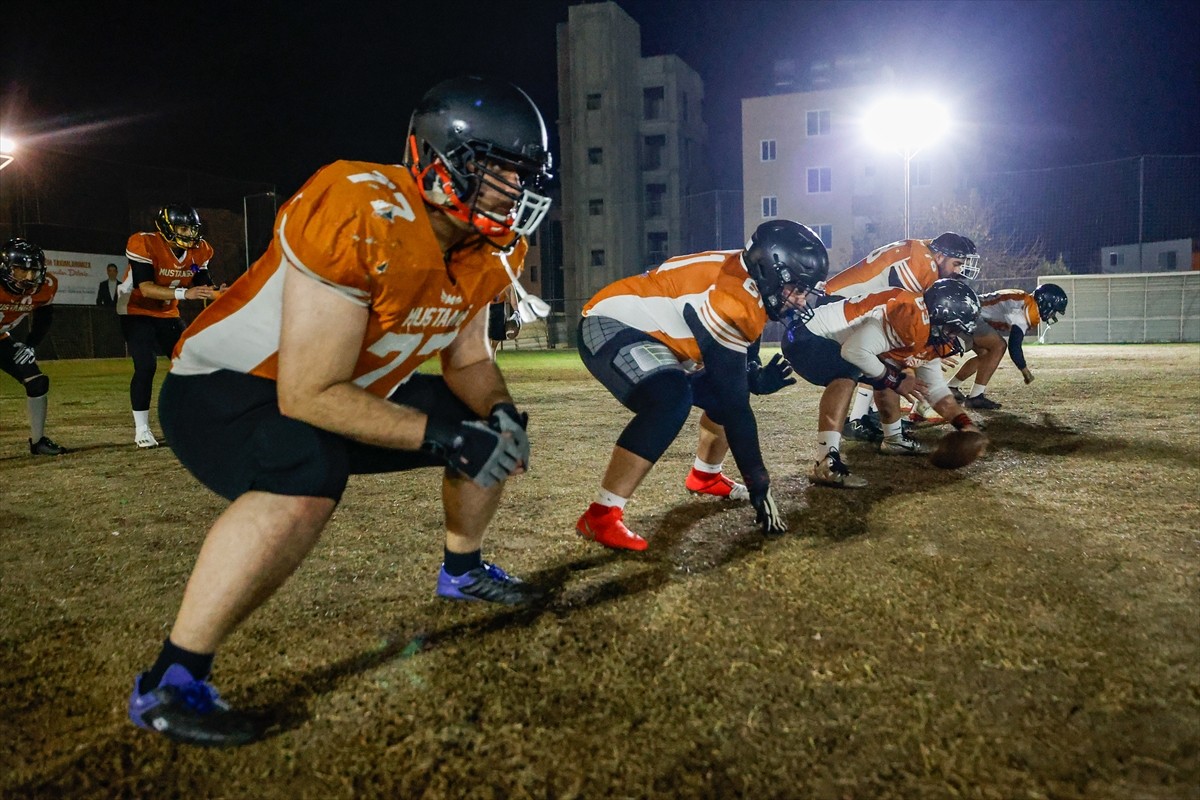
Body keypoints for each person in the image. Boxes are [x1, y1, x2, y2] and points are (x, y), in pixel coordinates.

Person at [126, 76, 553, 747]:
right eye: (496, 174)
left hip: (344, 388)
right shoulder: (360, 206)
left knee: (488, 428)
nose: (513, 193)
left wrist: (497, 413)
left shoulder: (494, 248)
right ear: (436, 164)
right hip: (231, 386)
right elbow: (307, 394)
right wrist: (441, 436)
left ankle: (463, 571)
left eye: (521, 177)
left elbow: (468, 360)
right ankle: (169, 681)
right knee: (307, 465)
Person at [575, 220, 830, 551]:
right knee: (671, 398)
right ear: (770, 270)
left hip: (665, 343)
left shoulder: (746, 279)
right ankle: (601, 515)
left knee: (722, 399)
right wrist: (760, 486)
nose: (799, 300)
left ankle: (705, 476)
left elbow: (738, 364)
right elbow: (738, 406)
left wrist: (754, 376)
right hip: (610, 323)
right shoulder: (730, 296)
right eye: (796, 288)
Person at [782, 278, 983, 488]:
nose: (952, 338)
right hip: (807, 336)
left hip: (834, 341)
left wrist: (965, 425)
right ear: (939, 315)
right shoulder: (908, 315)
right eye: (952, 330)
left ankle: (894, 439)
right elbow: (854, 351)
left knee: (887, 371)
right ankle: (826, 463)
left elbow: (937, 391)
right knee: (851, 370)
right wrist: (896, 380)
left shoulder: (925, 329)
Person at [824, 233, 981, 441]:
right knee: (885, 358)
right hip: (840, 305)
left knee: (888, 357)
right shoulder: (920, 268)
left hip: (855, 305)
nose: (959, 271)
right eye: (957, 263)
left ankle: (867, 417)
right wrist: (918, 357)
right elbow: (902, 321)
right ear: (940, 257)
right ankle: (860, 420)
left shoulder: (925, 253)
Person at [117, 205, 218, 448]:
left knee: (190, 362)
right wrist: (186, 293)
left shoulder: (197, 252)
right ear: (167, 228)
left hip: (167, 311)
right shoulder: (145, 243)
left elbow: (197, 274)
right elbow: (145, 288)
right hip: (135, 309)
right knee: (146, 365)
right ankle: (142, 428)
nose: (189, 234)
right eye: (183, 228)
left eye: (192, 229)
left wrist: (219, 292)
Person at [949, 283, 1069, 408]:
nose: (1053, 315)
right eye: (1054, 310)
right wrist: (1025, 371)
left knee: (985, 354)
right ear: (1046, 304)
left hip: (969, 311)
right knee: (999, 346)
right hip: (970, 314)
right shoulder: (1026, 308)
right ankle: (975, 397)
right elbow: (1014, 346)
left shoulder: (1023, 300)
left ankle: (951, 387)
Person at [0, 238, 68, 456]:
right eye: (21, 270)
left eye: (33, 271)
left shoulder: (45, 287)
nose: (29, 277)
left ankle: (38, 442)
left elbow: (44, 317)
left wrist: (30, 345)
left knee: (36, 382)